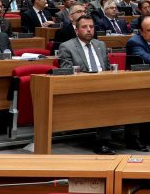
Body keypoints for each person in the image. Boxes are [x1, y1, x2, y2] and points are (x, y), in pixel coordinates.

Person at [57, 14, 144, 154]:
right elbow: (67, 73)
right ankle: (102, 141)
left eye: (91, 27)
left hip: (106, 85)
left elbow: (108, 69)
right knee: (105, 100)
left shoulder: (100, 45)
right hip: (82, 89)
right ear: (76, 30)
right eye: (84, 27)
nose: (89, 30)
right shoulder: (67, 47)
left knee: (131, 97)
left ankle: (132, 138)